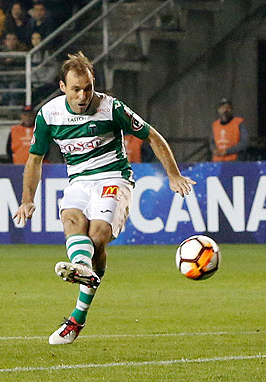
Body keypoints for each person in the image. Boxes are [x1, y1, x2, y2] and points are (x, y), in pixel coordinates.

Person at [12, 51, 195, 345]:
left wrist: (173, 175)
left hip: (113, 179)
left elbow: (153, 136)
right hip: (79, 181)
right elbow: (35, 160)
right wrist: (27, 198)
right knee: (71, 219)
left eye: (88, 88)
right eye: (76, 89)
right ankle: (82, 275)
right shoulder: (49, 115)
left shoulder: (112, 108)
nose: (84, 95)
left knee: (97, 235)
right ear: (63, 87)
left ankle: (77, 313)